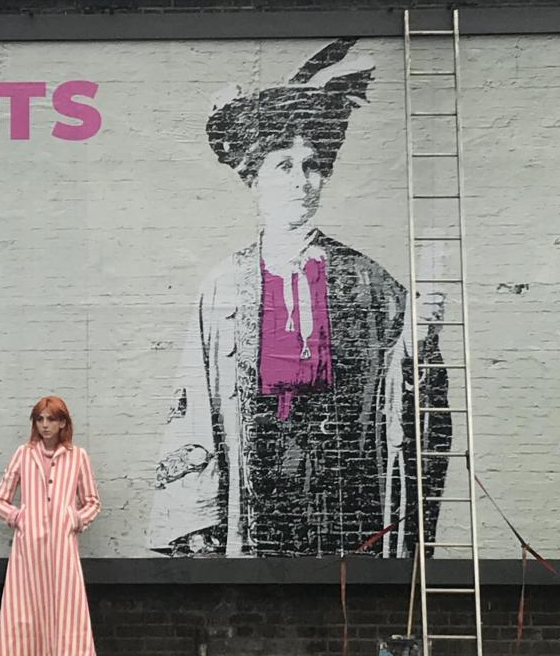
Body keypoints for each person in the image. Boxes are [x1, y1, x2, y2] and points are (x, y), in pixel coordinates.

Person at [148, 38, 452, 559]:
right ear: (255, 180)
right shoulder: (223, 285)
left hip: (343, 478)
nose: (302, 180)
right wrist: (198, 514)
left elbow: (406, 397)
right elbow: (195, 401)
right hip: (258, 467)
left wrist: (417, 346)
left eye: (312, 164)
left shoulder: (369, 280)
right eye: (283, 166)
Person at [0, 396, 101, 656]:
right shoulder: (23, 455)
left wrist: (74, 520)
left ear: (63, 422)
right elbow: (0, 499)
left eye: (51, 419)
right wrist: (19, 517)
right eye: (40, 419)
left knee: (63, 608)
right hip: (29, 547)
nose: (45, 426)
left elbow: (92, 501)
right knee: (31, 607)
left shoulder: (77, 456)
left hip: (63, 547)